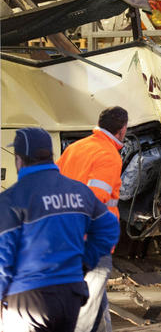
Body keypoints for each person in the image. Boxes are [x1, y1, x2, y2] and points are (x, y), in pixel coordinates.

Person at [0, 127, 119, 332]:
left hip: (28, 298)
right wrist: (85, 262)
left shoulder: (13, 198)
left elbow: (4, 256)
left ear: (19, 159)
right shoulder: (79, 191)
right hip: (70, 295)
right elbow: (109, 227)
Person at [57, 106, 128, 332]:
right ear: (122, 130)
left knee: (90, 299)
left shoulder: (76, 148)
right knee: (90, 304)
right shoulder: (109, 156)